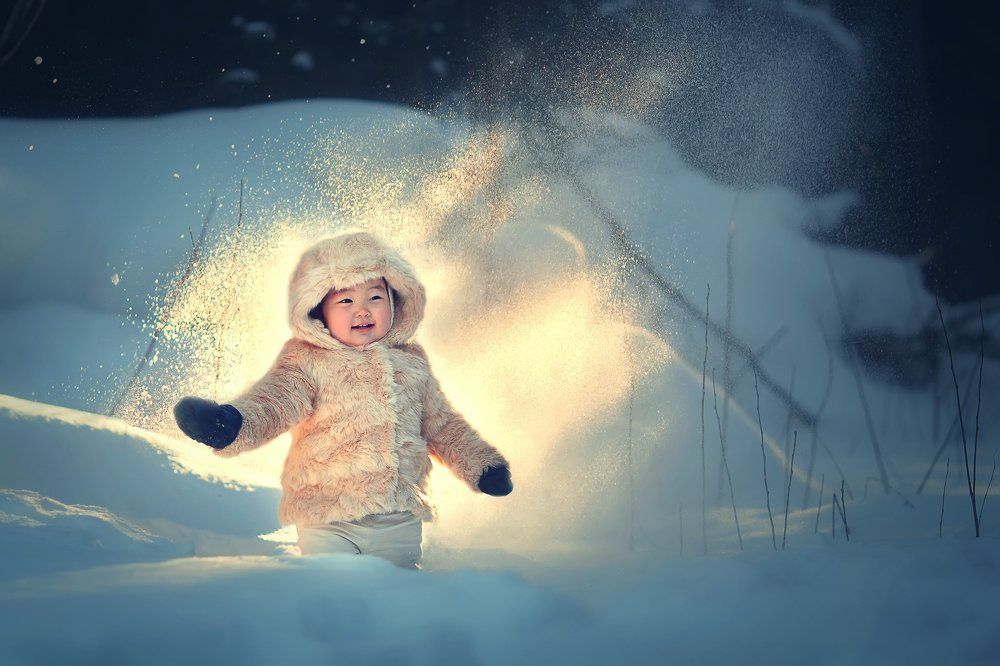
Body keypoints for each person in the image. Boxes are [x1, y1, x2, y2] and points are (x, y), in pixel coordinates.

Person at [173, 230, 513, 569]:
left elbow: (442, 425)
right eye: (346, 301)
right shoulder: (307, 361)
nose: (362, 310)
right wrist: (230, 425)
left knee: (394, 593)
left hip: (396, 518)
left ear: (397, 302)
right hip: (326, 515)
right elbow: (274, 402)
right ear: (319, 312)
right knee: (333, 586)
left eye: (375, 298)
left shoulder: (411, 363)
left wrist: (480, 465)